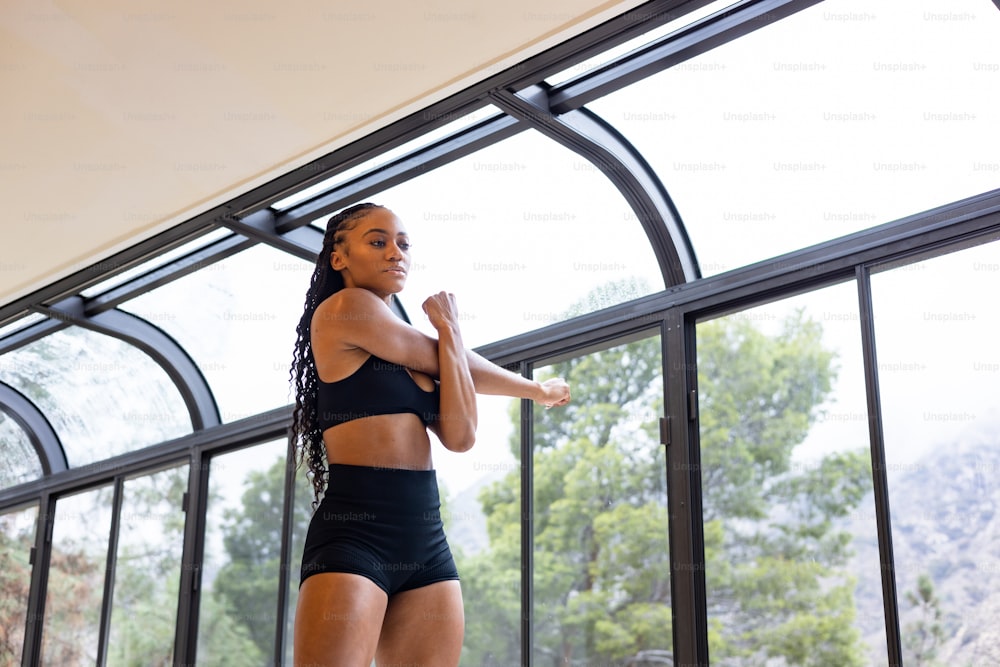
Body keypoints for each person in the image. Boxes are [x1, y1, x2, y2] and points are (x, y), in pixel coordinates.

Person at [289, 202, 570, 666]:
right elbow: (441, 355)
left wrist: (533, 388)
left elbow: (461, 437)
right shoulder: (346, 308)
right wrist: (451, 334)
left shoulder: (420, 351)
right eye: (377, 242)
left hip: (425, 540)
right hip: (356, 532)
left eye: (402, 244)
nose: (395, 252)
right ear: (339, 258)